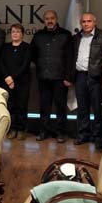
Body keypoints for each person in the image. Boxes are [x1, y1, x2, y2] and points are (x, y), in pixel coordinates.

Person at [30, 10, 73, 143]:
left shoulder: (66, 35)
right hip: (43, 76)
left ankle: (61, 132)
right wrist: (42, 64)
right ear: (44, 20)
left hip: (60, 77)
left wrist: (68, 77)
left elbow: (70, 57)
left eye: (52, 18)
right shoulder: (38, 35)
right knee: (44, 106)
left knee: (60, 106)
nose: (50, 21)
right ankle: (44, 131)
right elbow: (32, 54)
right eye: (47, 18)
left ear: (56, 19)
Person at [71, 12, 102, 149]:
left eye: (89, 21)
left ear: (94, 22)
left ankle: (98, 137)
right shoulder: (76, 37)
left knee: (97, 109)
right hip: (80, 76)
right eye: (83, 21)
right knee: (82, 108)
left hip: (97, 77)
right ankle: (83, 135)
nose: (86, 24)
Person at [0, 24, 31, 140]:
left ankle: (21, 130)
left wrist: (13, 78)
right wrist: (7, 77)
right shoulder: (5, 47)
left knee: (22, 106)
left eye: (18, 32)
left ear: (22, 34)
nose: (15, 34)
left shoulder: (27, 47)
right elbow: (1, 63)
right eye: (13, 32)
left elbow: (25, 65)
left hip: (22, 81)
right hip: (7, 82)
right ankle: (12, 129)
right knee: (10, 105)